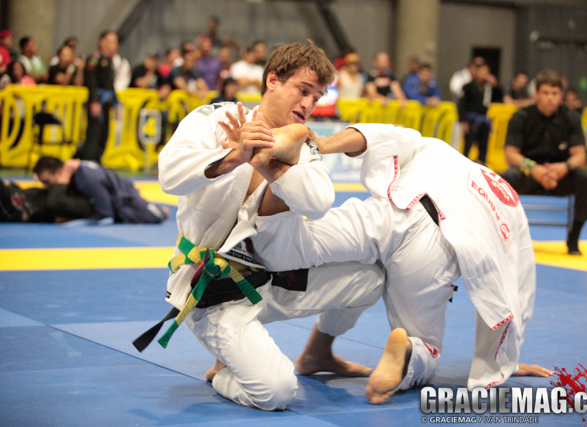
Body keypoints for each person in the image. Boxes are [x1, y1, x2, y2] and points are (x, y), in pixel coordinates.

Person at [251, 122, 551, 404]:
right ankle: (408, 350)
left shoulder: (440, 150)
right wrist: (504, 360)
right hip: (432, 250)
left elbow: (376, 135)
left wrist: (320, 144)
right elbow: (517, 286)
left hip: (387, 213)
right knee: (427, 348)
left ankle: (272, 177)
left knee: (297, 247)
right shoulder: (509, 202)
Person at [155, 41, 382, 411]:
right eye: (303, 90)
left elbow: (318, 202)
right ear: (273, 80)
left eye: (317, 96)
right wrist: (234, 156)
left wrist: (268, 160)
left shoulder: (301, 146)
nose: (309, 104)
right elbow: (169, 174)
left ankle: (318, 353)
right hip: (214, 290)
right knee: (276, 391)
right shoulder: (216, 119)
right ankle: (223, 371)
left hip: (270, 281)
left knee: (370, 279)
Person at [501, 69, 587, 255]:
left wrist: (564, 167)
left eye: (555, 93)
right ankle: (505, 236)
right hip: (529, 173)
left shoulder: (571, 117)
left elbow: (580, 155)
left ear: (561, 95)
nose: (550, 98)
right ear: (536, 94)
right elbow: (510, 155)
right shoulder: (521, 117)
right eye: (545, 93)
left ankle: (574, 239)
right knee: (505, 178)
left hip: (559, 175)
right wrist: (533, 168)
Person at [34, 156, 169, 224]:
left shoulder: (86, 178)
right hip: (119, 192)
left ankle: (161, 210)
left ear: (59, 172)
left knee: (157, 216)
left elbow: (105, 216)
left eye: (47, 182)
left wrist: (68, 220)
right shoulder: (78, 174)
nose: (46, 187)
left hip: (126, 199)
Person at [77, 30, 117, 162]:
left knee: (104, 136)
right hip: (97, 102)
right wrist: (94, 101)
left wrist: (116, 103)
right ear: (102, 43)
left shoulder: (109, 61)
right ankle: (87, 164)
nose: (115, 45)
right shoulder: (94, 58)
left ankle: (97, 163)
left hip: (106, 104)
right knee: (93, 135)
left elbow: (110, 85)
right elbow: (91, 80)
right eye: (112, 42)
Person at [459, 63, 503, 165]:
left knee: (483, 147)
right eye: (482, 72)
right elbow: (461, 104)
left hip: (484, 121)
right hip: (471, 120)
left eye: (487, 72)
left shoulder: (488, 87)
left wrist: (496, 85)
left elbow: (499, 99)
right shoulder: (468, 87)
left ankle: (481, 166)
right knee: (467, 147)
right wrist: (463, 121)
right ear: (477, 72)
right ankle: (464, 166)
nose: (484, 74)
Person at [0, 178, 92, 223]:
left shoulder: (59, 198)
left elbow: (54, 204)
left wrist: (64, 177)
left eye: (46, 182)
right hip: (16, 196)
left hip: (17, 208)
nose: (45, 186)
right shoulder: (53, 191)